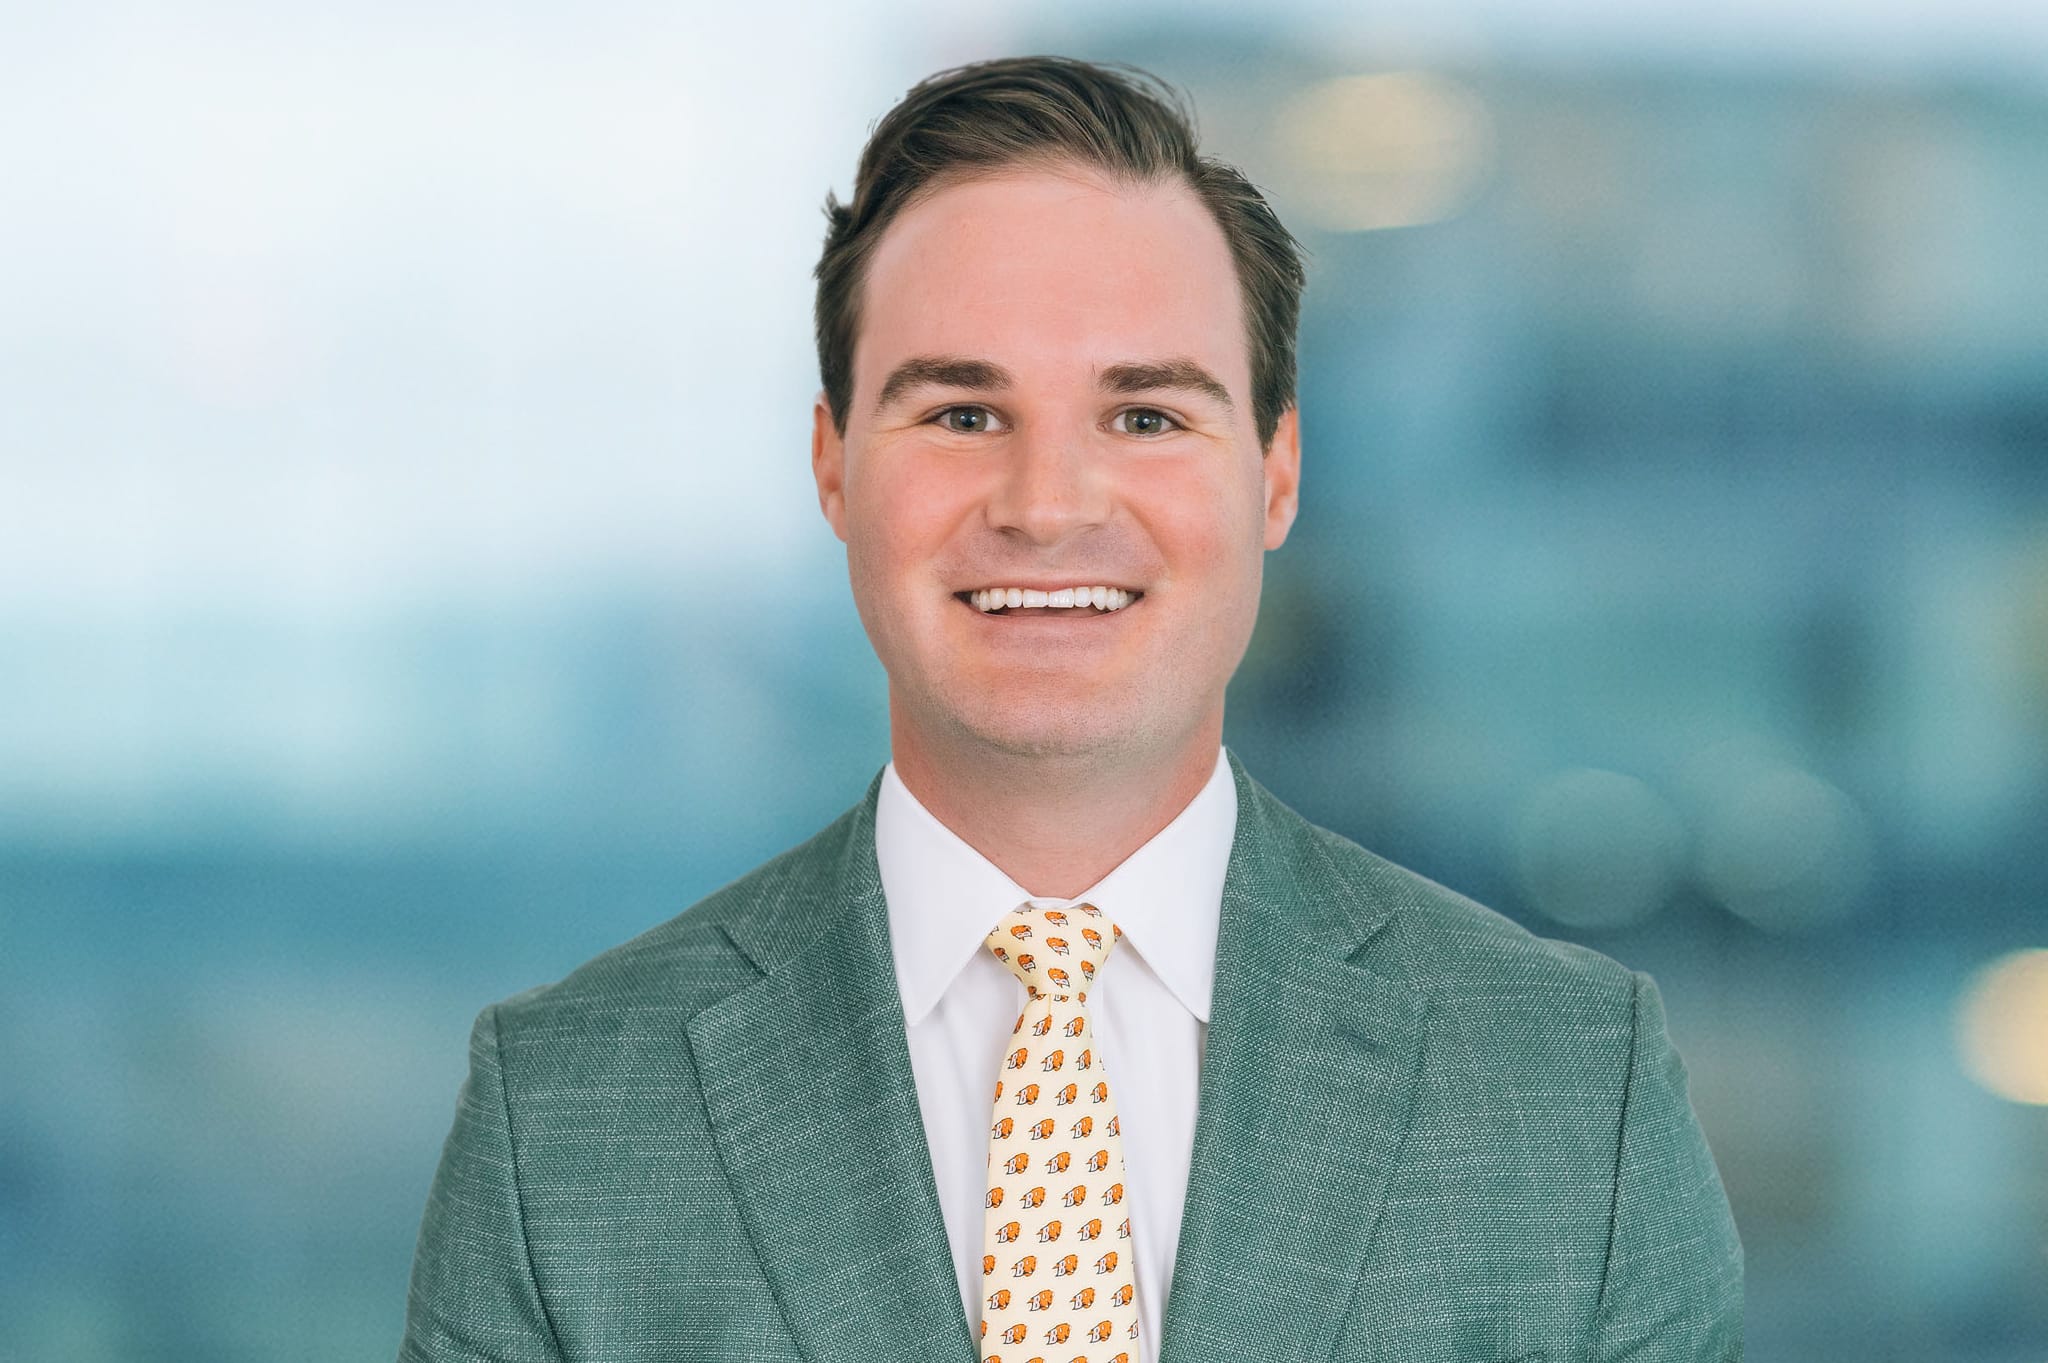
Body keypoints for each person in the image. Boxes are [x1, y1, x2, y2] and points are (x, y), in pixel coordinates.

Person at [398, 55, 1743, 1363]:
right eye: (964, 415)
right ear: (833, 468)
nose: (1047, 507)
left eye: (1147, 417)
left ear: (1274, 475)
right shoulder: (565, 1117)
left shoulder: (1575, 1091)